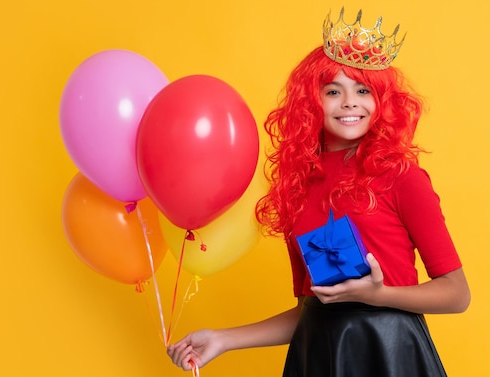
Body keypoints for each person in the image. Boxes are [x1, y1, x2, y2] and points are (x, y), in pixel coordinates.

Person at [166, 8, 470, 377]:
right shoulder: (297, 185)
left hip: (389, 353)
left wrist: (378, 296)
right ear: (312, 100)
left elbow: (456, 294)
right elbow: (309, 309)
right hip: (319, 354)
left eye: (363, 90)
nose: (349, 102)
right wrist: (224, 339)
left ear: (382, 102)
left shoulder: (401, 177)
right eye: (333, 91)